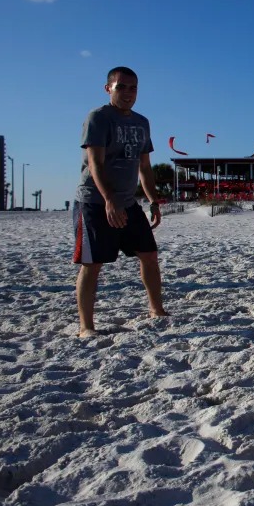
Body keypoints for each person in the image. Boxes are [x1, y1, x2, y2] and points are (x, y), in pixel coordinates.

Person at [73, 66, 168, 337]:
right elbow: (95, 163)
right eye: (121, 87)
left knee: (149, 255)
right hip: (94, 202)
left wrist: (153, 201)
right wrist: (109, 200)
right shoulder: (99, 118)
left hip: (128, 202)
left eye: (133, 87)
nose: (128, 93)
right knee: (92, 264)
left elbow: (145, 167)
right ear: (108, 89)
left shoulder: (141, 122)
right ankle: (86, 327)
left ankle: (156, 309)